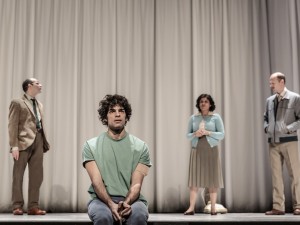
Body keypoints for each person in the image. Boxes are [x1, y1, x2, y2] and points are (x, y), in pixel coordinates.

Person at [82, 94, 152, 225]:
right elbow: (96, 182)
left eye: (121, 111)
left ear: (126, 117)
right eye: (112, 111)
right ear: (105, 117)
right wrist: (110, 204)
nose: (117, 114)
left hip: (132, 200)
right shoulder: (91, 146)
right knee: (103, 217)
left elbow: (137, 184)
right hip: (101, 200)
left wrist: (126, 203)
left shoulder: (141, 147)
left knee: (139, 215)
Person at [8, 78, 50, 215]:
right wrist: (14, 146)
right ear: (29, 86)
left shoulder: (39, 104)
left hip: (38, 140)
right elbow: (12, 125)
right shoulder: (17, 102)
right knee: (18, 175)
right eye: (38, 83)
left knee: (37, 176)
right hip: (22, 142)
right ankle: (17, 206)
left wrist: (43, 141)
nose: (40, 85)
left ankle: (33, 206)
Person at [264, 72, 300, 215]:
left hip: (289, 141)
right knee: (276, 176)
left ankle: (298, 205)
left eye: (273, 82)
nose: (270, 85)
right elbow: (265, 117)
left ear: (282, 82)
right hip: (273, 142)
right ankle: (278, 206)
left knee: (295, 175)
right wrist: (266, 127)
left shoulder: (295, 98)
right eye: (270, 83)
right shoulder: (269, 100)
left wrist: (288, 129)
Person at [184, 94, 225, 215]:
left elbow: (222, 134)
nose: (203, 103)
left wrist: (208, 132)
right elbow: (187, 135)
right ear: (198, 104)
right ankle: (191, 208)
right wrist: (195, 134)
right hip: (197, 150)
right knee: (194, 180)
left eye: (206, 101)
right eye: (201, 101)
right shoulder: (193, 118)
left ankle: (213, 208)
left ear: (210, 104)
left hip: (211, 150)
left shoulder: (216, 117)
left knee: (212, 180)